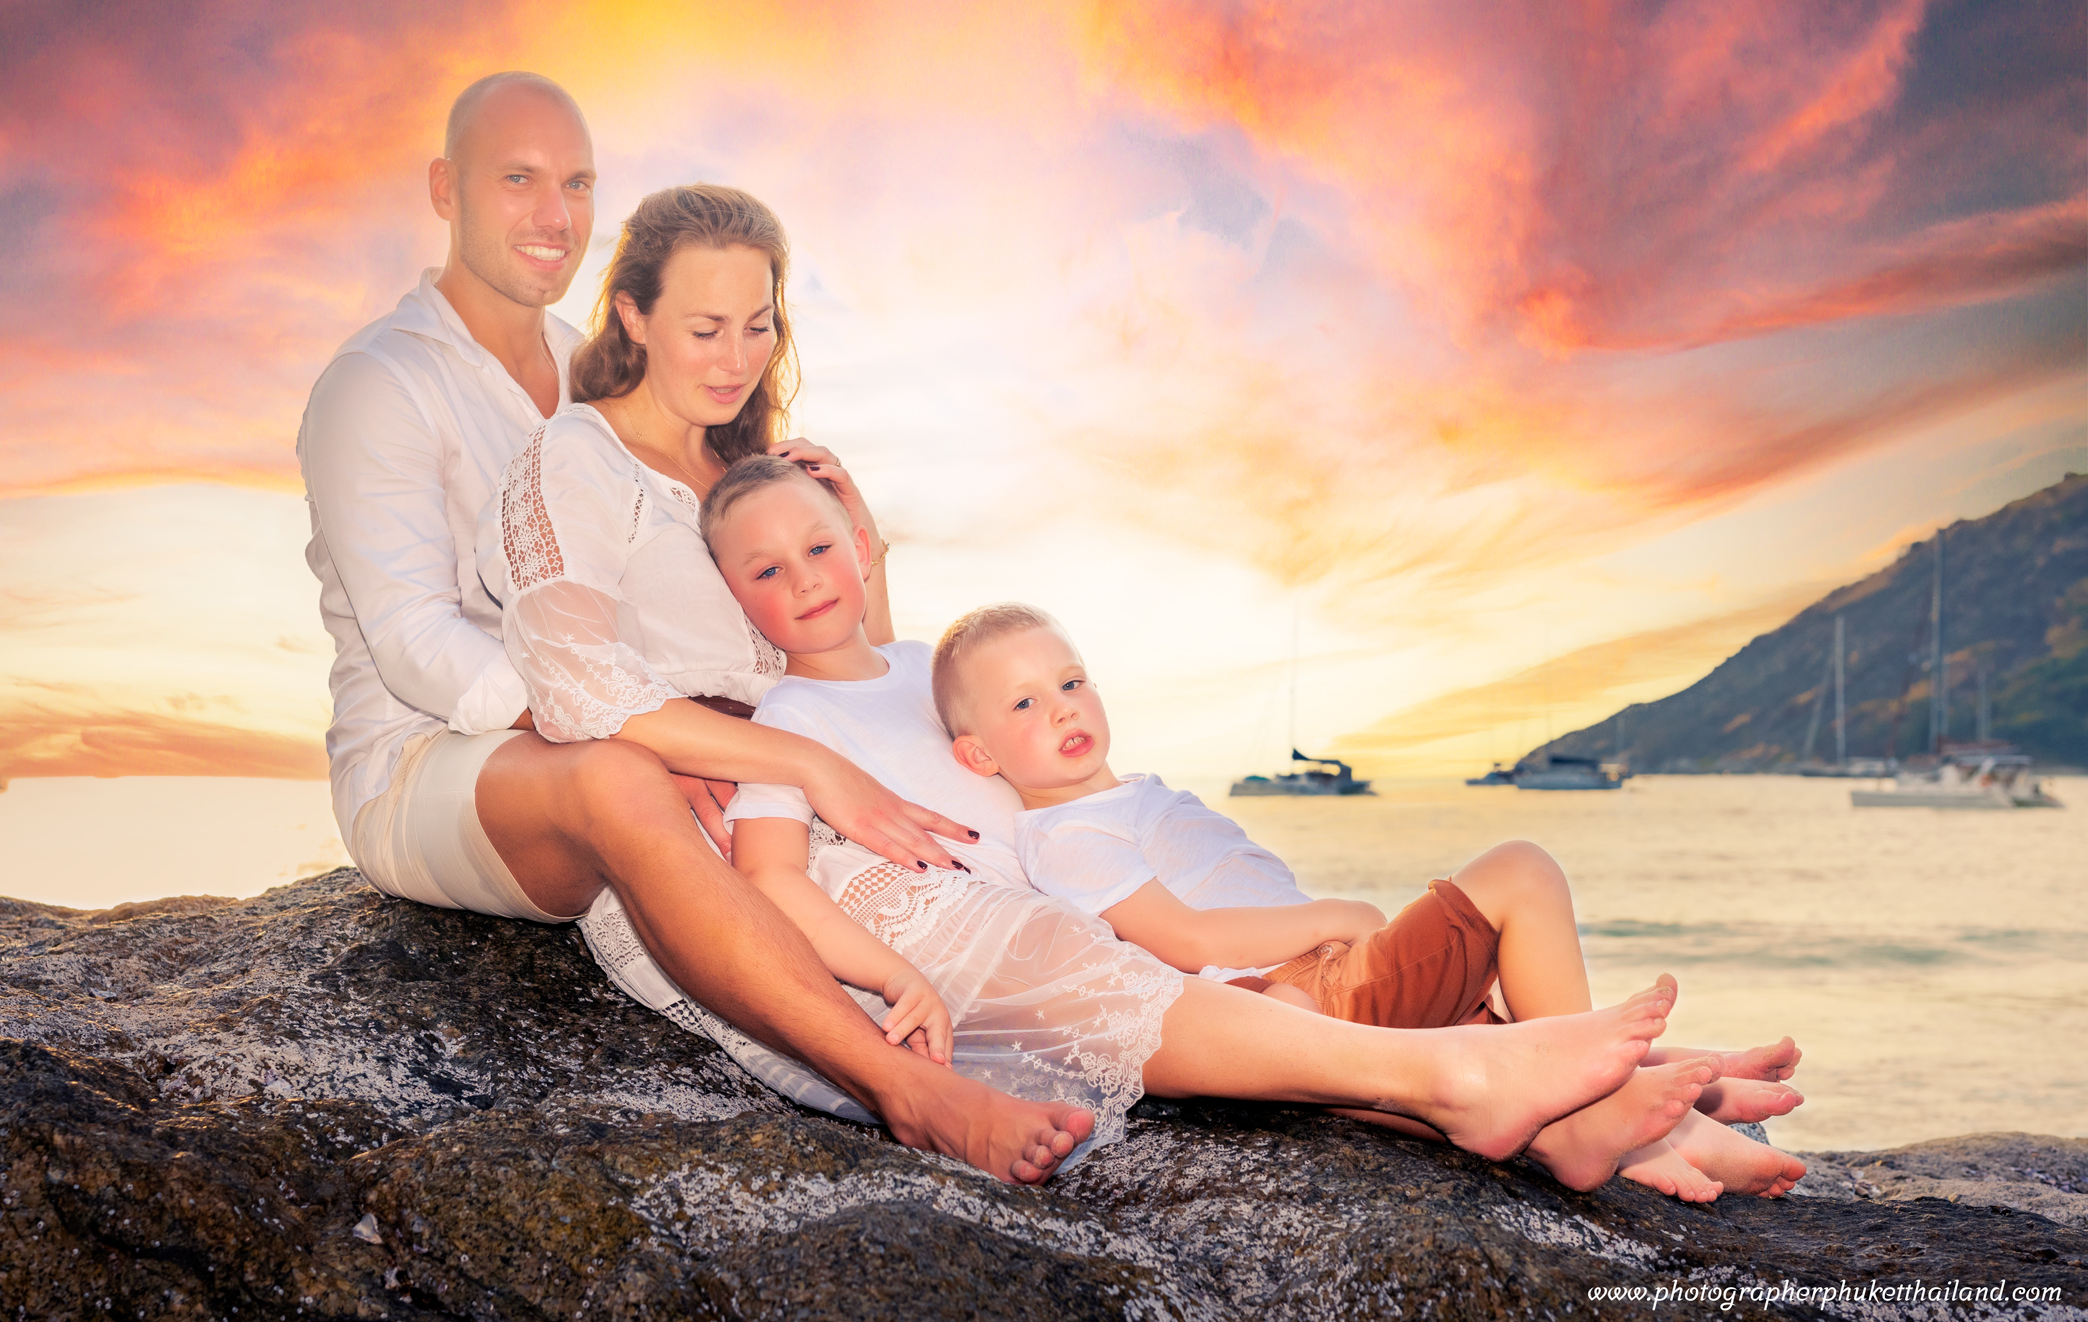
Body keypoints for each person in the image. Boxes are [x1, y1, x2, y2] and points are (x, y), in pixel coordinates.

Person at [491, 205, 1701, 1186]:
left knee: (1242, 985)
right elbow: (595, 690)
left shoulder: (812, 540)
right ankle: (1489, 1087)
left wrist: (872, 551)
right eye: (705, 324)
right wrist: (820, 808)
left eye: (759, 324)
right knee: (1143, 978)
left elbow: (923, 697)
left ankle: (1595, 1113)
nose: (739, 355)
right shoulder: (588, 469)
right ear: (632, 314)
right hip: (805, 843)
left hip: (1014, 867)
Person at [298, 75, 1096, 1184]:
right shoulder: (380, 383)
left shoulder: (603, 368)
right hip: (431, 757)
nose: (552, 214)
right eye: (516, 180)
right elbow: (413, 641)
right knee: (620, 784)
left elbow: (775, 639)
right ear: (446, 190)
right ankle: (907, 1090)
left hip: (614, 727)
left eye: (575, 183)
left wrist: (852, 562)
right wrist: (633, 733)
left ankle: (1226, 973)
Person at [924, 598, 1810, 1200]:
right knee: (1520, 870)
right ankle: (1601, 1087)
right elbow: (1181, 937)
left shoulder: (1125, 796)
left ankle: (1667, 1095)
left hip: (1317, 982)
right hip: (1290, 996)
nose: (1064, 709)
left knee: (1478, 1027)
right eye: (1026, 704)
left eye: (1071, 683)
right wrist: (1334, 917)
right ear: (979, 758)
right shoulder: (1068, 832)